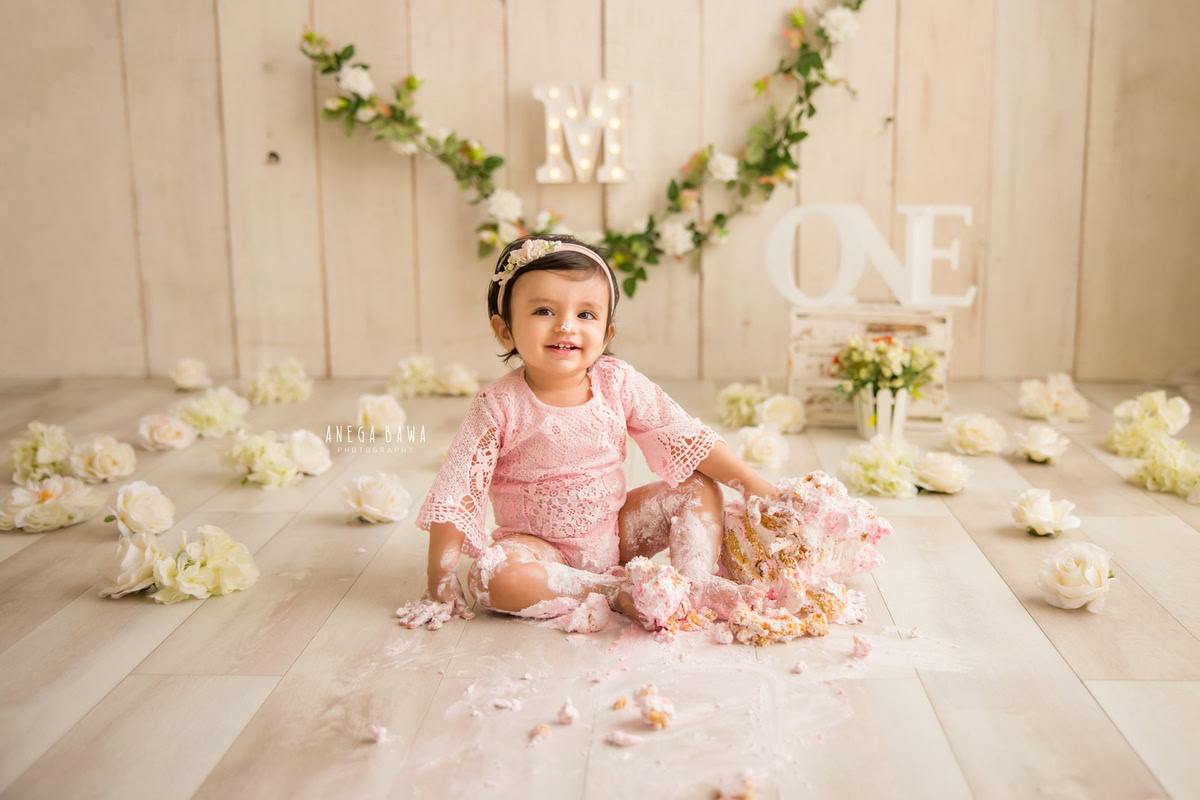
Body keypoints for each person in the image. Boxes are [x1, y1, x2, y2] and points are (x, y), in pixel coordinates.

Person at [397, 235, 778, 631]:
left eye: (585, 314)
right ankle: (613, 590)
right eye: (544, 310)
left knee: (698, 486)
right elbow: (457, 491)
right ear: (505, 331)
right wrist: (439, 578)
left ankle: (693, 584)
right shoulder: (498, 404)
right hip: (541, 550)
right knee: (490, 575)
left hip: (615, 531)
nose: (566, 325)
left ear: (606, 334)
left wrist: (751, 482)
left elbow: (685, 437)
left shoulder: (618, 383)